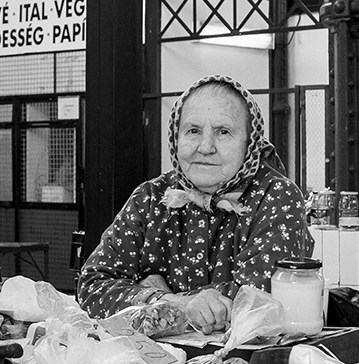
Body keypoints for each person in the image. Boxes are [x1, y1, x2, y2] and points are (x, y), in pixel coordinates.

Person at [77, 74, 313, 333]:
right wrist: (170, 301)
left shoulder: (276, 196)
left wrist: (150, 295)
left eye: (223, 132)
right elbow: (92, 288)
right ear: (176, 137)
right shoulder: (151, 198)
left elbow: (260, 300)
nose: (205, 147)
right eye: (193, 131)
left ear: (250, 143)